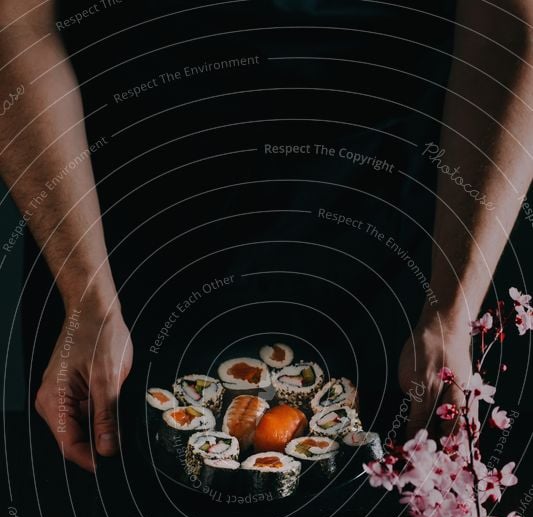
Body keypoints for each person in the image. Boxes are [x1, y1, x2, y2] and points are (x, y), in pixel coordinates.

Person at [0, 0, 532, 473]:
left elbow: (509, 26)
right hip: (113, 241)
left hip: (397, 235)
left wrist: (452, 312)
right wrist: (85, 297)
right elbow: (16, 26)